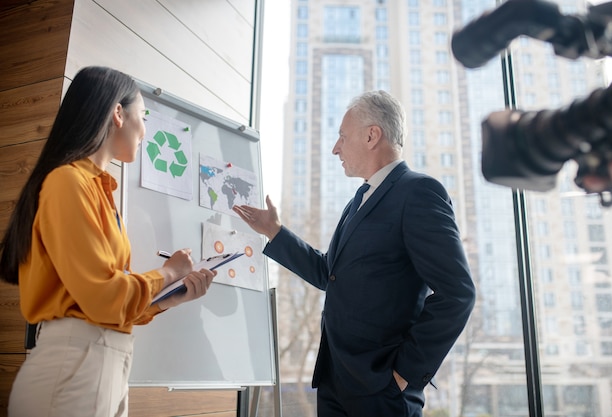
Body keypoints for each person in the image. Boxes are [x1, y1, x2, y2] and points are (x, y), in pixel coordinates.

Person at [233, 90, 476, 417]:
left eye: (342, 137)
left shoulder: (419, 193)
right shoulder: (357, 202)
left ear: (372, 135)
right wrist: (274, 232)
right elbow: (329, 273)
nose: (336, 148)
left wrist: (403, 374)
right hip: (336, 381)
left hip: (381, 389)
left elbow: (458, 293)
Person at [0, 66, 216, 417]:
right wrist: (168, 273)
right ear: (118, 114)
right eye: (142, 116)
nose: (145, 130)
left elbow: (105, 305)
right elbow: (104, 298)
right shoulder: (68, 183)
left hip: (100, 367)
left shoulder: (96, 189)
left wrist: (170, 298)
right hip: (73, 372)